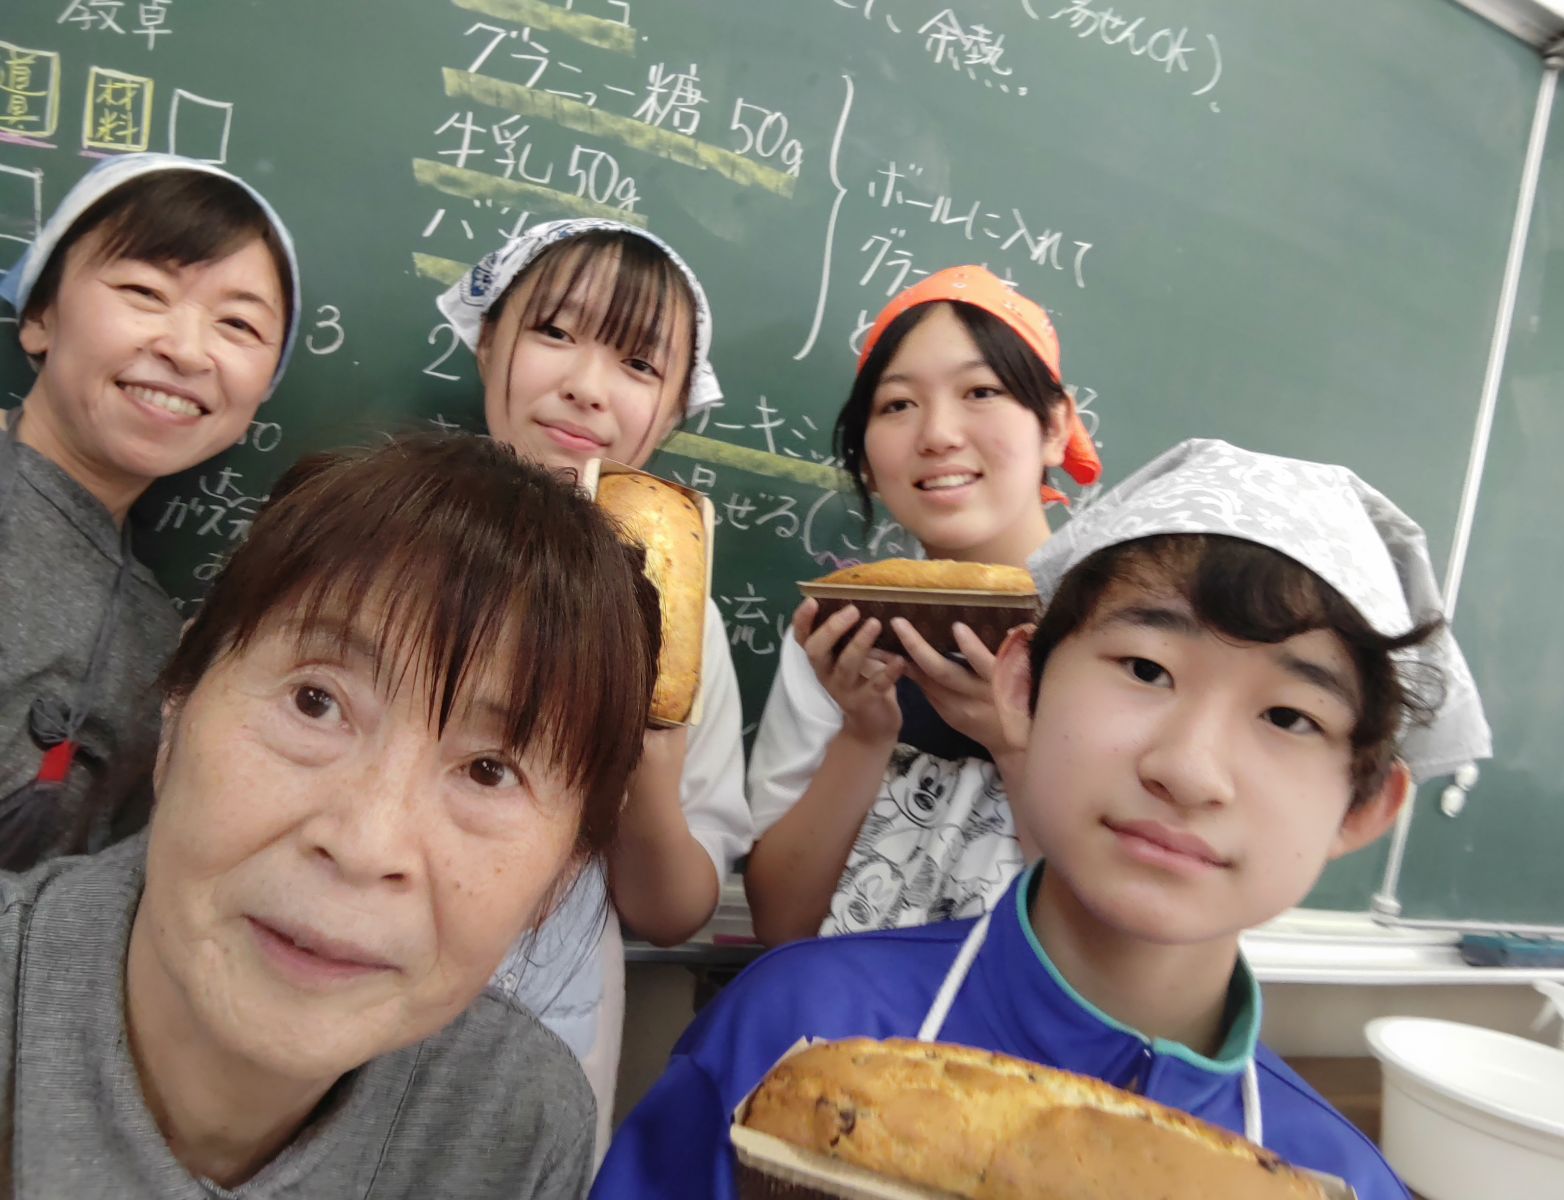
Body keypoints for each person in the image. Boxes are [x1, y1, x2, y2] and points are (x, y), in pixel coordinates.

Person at [592, 438, 1493, 1200]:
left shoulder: (1337, 1182)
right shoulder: (793, 1031)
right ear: (1023, 686)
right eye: (1146, 669)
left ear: (1364, 806)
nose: (1187, 769)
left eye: (1289, 717)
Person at [0, 433, 663, 1197]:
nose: (364, 844)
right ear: (177, 708)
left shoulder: (516, 1124)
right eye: (315, 702)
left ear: (564, 873)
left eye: (489, 771)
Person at [437, 219, 751, 1140]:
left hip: (542, 1037)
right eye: (554, 332)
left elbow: (672, 911)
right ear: (487, 338)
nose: (587, 384)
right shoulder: (381, 540)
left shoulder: (687, 624)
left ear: (677, 410)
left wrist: (651, 761)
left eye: (639, 364)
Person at [744, 266, 1101, 945]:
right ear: (866, 460)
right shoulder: (842, 632)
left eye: (981, 391)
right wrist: (865, 731)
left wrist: (1013, 745)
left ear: (1055, 427)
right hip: (849, 1005)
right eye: (898, 404)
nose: (937, 433)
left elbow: (1114, 942)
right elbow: (781, 927)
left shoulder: (1121, 634)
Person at [0, 153, 300, 870]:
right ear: (40, 315)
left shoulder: (161, 643)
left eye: (238, 324)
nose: (187, 350)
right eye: (144, 291)